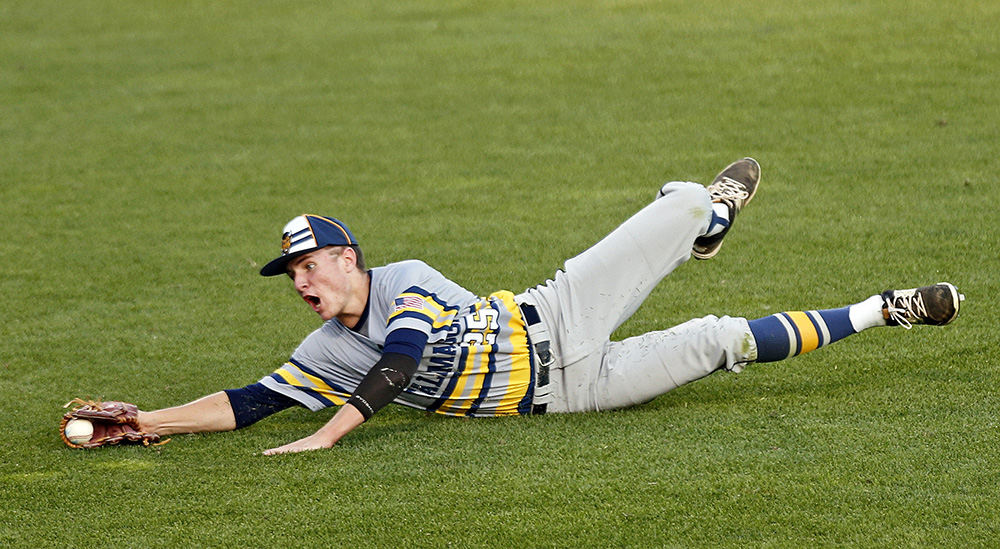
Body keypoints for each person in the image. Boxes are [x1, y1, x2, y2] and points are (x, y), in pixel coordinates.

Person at [117, 158, 963, 455]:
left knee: (676, 205)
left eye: (308, 266)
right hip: (570, 390)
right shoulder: (326, 351)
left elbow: (403, 358)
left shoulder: (403, 279)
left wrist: (329, 433)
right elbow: (249, 402)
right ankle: (884, 309)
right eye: (289, 274)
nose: (300, 284)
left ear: (347, 259)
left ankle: (707, 217)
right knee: (718, 339)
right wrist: (148, 419)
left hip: (556, 312)